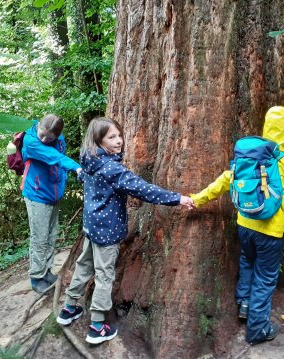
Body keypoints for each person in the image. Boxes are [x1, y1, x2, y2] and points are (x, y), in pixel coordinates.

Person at [56, 117, 195, 345]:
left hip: (91, 227)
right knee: (104, 275)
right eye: (111, 137)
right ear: (98, 140)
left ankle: (69, 308)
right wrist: (178, 198)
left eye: (119, 135)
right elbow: (143, 189)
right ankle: (97, 326)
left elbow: (81, 174)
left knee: (84, 265)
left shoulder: (89, 161)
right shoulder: (112, 169)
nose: (119, 141)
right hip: (107, 232)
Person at [190, 107, 284, 345]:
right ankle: (257, 329)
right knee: (266, 276)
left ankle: (244, 305)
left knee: (247, 262)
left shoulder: (249, 157)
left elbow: (224, 181)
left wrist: (197, 199)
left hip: (244, 224)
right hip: (270, 231)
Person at [21, 114, 82, 294]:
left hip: (52, 193)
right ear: (38, 125)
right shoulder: (31, 142)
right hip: (36, 194)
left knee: (51, 234)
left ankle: (47, 271)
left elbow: (58, 162)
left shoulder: (59, 138)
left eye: (50, 137)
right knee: (39, 237)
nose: (44, 139)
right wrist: (77, 167)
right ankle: (37, 277)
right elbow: (55, 158)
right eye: (42, 134)